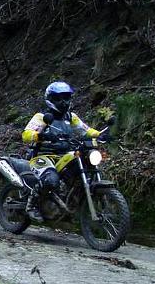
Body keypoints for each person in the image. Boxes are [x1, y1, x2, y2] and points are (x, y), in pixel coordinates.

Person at [21, 81, 105, 222]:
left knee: (81, 170)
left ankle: (70, 204)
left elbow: (85, 130)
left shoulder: (70, 117)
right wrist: (41, 135)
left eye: (66, 97)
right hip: (43, 156)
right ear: (50, 99)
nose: (63, 101)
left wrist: (100, 134)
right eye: (58, 98)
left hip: (64, 155)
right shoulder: (42, 116)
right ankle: (31, 206)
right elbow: (26, 134)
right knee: (51, 180)